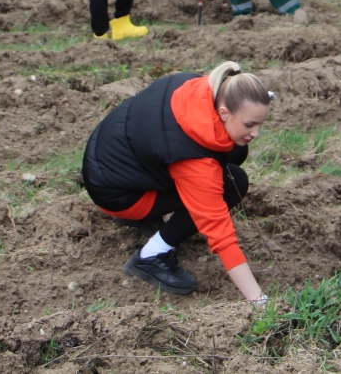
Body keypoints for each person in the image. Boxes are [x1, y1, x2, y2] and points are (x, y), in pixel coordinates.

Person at [82, 61, 270, 302]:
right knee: (232, 185)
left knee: (235, 152)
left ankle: (148, 215)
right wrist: (259, 301)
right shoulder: (192, 159)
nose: (256, 133)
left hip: (112, 160)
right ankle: (149, 257)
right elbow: (221, 235)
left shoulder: (201, 87)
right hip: (117, 193)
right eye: (249, 124)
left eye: (259, 124)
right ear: (224, 113)